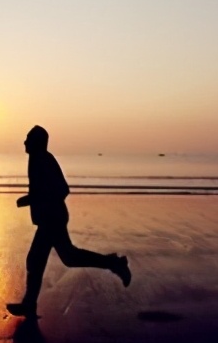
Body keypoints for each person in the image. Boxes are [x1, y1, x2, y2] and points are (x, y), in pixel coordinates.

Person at [7, 125, 131, 317]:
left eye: (28, 139)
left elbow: (62, 189)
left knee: (52, 259)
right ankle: (29, 304)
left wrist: (32, 199)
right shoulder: (37, 159)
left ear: (38, 142)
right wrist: (32, 198)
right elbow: (46, 190)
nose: (24, 142)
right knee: (55, 258)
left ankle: (114, 263)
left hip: (52, 219)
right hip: (49, 219)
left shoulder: (44, 159)